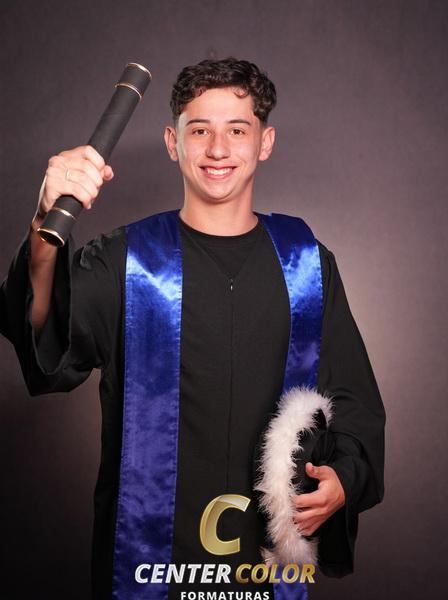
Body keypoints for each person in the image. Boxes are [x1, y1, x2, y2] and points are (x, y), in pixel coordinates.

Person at [1, 58, 385, 600]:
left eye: (238, 130)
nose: (218, 149)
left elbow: (353, 399)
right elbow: (44, 331)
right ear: (172, 142)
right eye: (199, 130)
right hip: (150, 563)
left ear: (266, 142)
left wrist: (346, 477)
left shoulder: (306, 265)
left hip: (265, 565)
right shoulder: (128, 261)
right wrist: (45, 224)